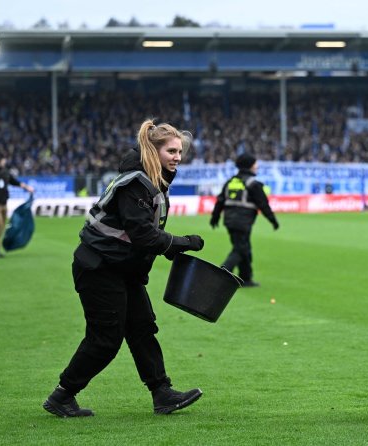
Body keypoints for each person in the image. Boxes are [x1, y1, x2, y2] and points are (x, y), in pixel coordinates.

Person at [43, 119, 206, 418]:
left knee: (142, 329)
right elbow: (143, 235)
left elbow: (137, 235)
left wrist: (168, 247)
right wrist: (182, 243)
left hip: (120, 268)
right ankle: (62, 395)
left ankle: (162, 394)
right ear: (153, 151)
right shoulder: (136, 183)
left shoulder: (150, 181)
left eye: (180, 151)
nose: (177, 157)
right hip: (99, 268)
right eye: (171, 150)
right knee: (105, 339)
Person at [210, 153, 279, 287]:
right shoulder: (253, 184)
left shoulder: (230, 182)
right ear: (250, 166)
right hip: (243, 222)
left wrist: (215, 217)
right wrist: (273, 220)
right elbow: (263, 204)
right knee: (240, 249)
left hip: (229, 221)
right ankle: (222, 273)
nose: (257, 166)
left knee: (244, 248)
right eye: (255, 163)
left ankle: (245, 278)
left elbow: (220, 201)